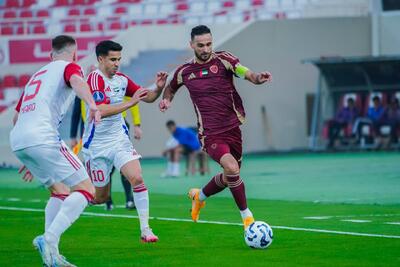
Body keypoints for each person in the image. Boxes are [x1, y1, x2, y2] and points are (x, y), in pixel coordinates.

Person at [159, 25, 272, 229]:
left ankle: (199, 197)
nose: (205, 48)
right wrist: (167, 100)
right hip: (210, 133)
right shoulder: (184, 71)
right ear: (191, 45)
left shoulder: (224, 60)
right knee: (231, 168)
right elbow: (170, 88)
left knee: (231, 176)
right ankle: (248, 219)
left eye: (209, 44)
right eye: (200, 45)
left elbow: (245, 72)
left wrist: (257, 78)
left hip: (233, 128)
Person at [9, 35, 101, 267]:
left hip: (20, 140)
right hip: (42, 138)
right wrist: (92, 104)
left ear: (50, 55)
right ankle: (49, 238)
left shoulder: (37, 75)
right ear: (75, 53)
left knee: (59, 191)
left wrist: (30, 153)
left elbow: (16, 116)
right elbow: (78, 82)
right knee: (87, 189)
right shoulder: (70, 66)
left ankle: (52, 255)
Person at [82, 40, 168, 242]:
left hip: (119, 140)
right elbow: (100, 110)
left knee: (137, 178)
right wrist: (130, 102)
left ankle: (146, 230)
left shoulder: (121, 80)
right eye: (113, 59)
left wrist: (158, 88)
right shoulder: (94, 79)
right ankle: (71, 197)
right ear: (101, 59)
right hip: (97, 145)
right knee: (100, 198)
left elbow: (147, 97)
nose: (117, 63)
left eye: (119, 59)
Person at [70, 93, 142, 210]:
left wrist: (137, 124)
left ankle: (129, 199)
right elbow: (76, 112)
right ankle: (107, 200)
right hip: (93, 131)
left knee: (126, 165)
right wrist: (74, 135)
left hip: (118, 127)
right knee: (106, 168)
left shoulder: (118, 80)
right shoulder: (82, 86)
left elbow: (133, 97)